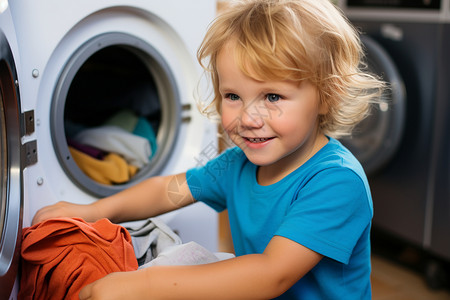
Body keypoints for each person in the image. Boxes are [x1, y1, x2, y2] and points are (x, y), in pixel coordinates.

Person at [32, 0, 386, 299]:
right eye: (233, 96)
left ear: (326, 96)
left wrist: (144, 284)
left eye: (273, 96)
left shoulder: (336, 181)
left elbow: (270, 274)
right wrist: (90, 211)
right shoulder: (237, 163)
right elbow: (169, 191)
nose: (248, 117)